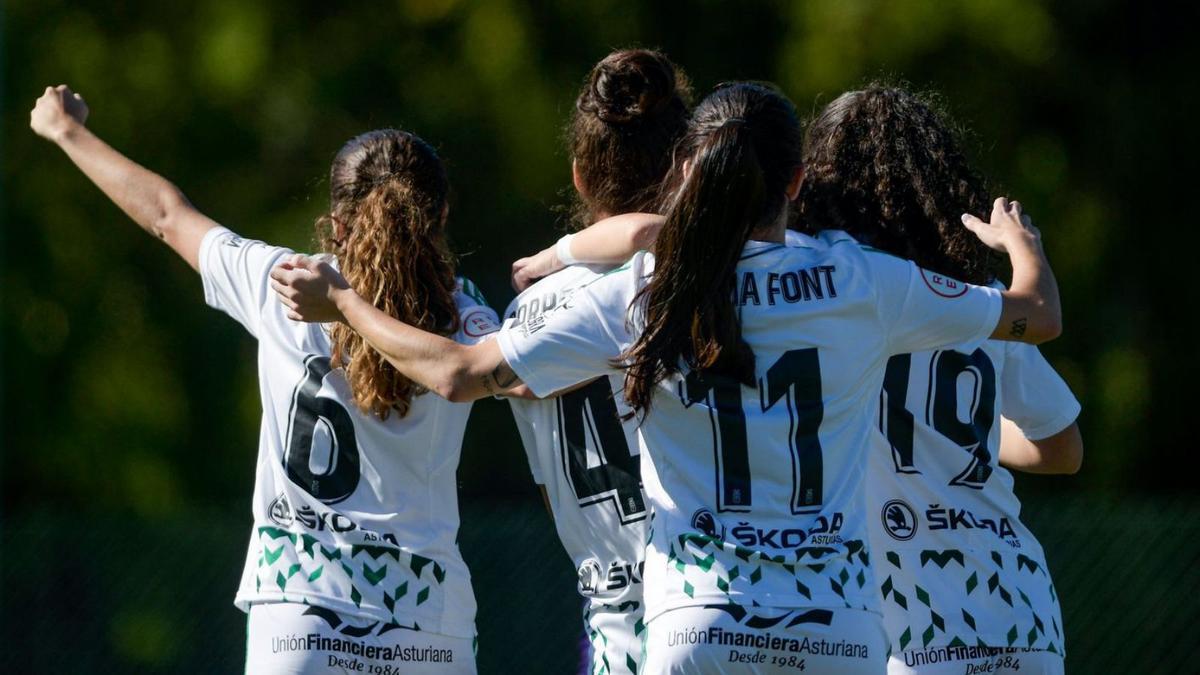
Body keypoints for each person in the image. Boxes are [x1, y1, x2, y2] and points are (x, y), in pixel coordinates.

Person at [269, 82, 1062, 674]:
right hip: (838, 631)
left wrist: (344, 299)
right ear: (794, 185)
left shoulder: (648, 290)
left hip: (698, 624)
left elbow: (458, 373)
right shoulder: (861, 281)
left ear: (687, 173)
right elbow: (1037, 315)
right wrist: (1018, 243)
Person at [30, 85, 497, 674]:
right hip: (428, 615)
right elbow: (505, 376)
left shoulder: (280, 283)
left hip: (298, 610)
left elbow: (167, 214)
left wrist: (66, 131)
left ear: (336, 223)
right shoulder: (469, 316)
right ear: (442, 216)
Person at [793, 86, 1081, 675]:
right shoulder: (978, 308)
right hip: (1023, 617)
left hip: (911, 630)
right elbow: (1063, 450)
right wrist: (964, 439)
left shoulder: (823, 301)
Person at [504, 48, 691, 675]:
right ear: (686, 166)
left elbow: (556, 499)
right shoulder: (691, 280)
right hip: (711, 605)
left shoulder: (524, 318)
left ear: (581, 176)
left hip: (614, 631)